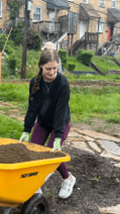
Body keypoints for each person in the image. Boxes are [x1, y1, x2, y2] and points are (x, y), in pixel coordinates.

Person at [19, 48, 77, 198]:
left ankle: (68, 179)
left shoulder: (62, 83)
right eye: (48, 69)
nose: (51, 72)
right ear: (41, 67)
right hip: (43, 122)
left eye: (55, 68)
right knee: (33, 152)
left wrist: (58, 137)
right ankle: (35, 186)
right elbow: (32, 108)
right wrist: (26, 129)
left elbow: (60, 112)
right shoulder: (35, 83)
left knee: (52, 154)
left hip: (61, 123)